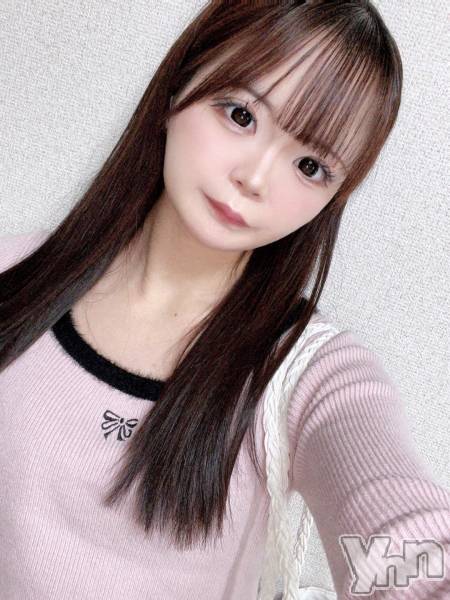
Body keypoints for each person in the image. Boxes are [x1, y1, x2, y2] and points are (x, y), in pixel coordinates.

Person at [0, 1, 449, 599]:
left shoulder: (303, 372)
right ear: (180, 83)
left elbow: (408, 542)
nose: (255, 178)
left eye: (310, 165)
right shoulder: (14, 272)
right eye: (241, 115)